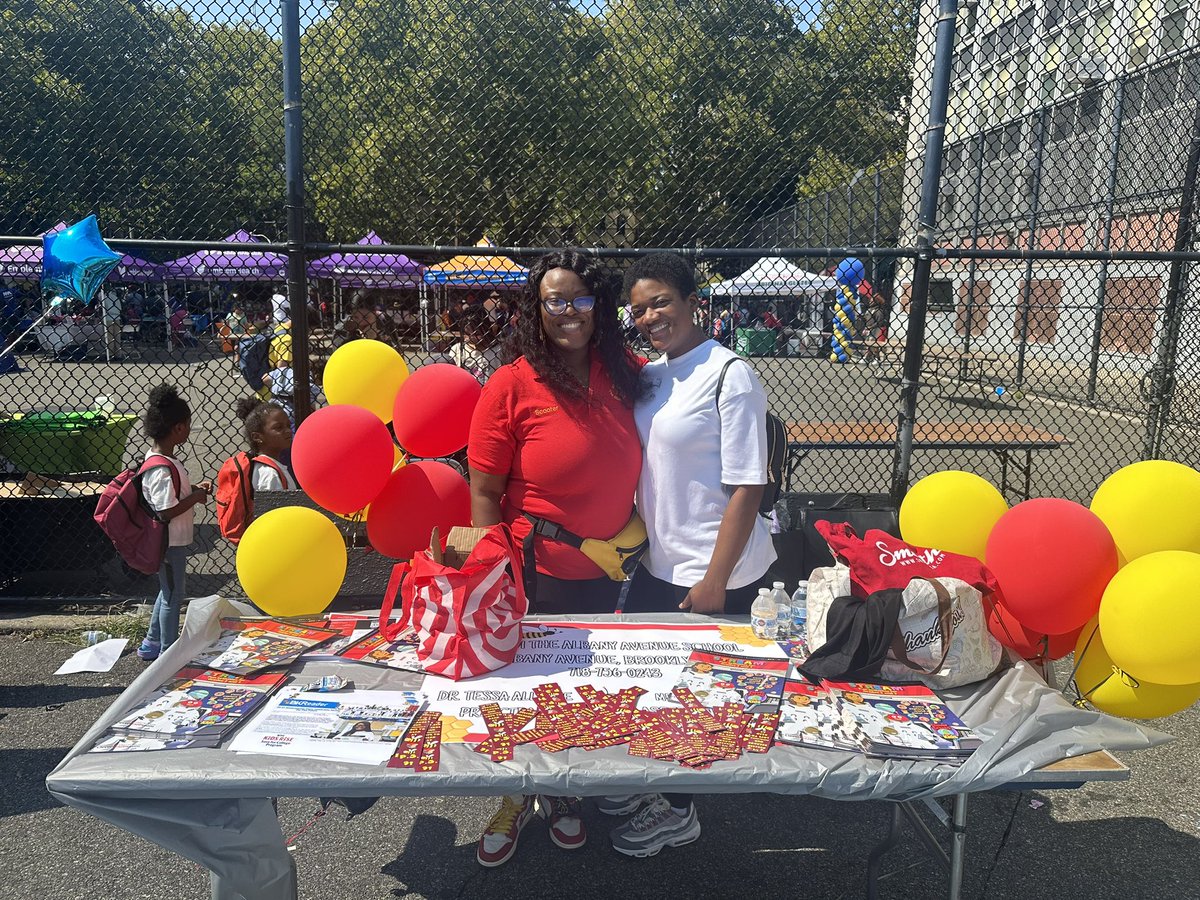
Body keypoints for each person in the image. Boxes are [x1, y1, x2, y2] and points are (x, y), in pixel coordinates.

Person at [466, 248, 645, 868]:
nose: (569, 312)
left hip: (612, 573)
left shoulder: (626, 371)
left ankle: (562, 792)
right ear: (536, 311)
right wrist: (495, 574)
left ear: (599, 305)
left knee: (583, 693)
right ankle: (516, 792)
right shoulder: (509, 384)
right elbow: (485, 492)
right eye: (555, 300)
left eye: (581, 298)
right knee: (526, 694)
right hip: (532, 574)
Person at [607, 252, 776, 858]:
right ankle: (668, 783)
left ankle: (681, 810)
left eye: (661, 302)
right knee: (656, 685)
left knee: (702, 696)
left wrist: (714, 581)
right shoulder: (651, 375)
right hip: (662, 561)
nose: (651, 316)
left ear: (691, 300)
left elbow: (747, 488)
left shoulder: (731, 374)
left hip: (716, 569)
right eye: (640, 310)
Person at [135, 384, 212, 661]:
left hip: (172, 540)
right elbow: (165, 510)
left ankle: (152, 642)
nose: (190, 429)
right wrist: (196, 497)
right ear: (178, 428)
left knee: (165, 592)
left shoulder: (162, 460)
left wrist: (192, 490)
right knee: (173, 596)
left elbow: (171, 494)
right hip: (170, 543)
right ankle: (168, 654)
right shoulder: (159, 467)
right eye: (189, 425)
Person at [235, 398, 298, 490]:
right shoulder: (270, 474)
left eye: (288, 425)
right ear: (257, 437)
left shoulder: (272, 467)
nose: (288, 431)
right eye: (278, 427)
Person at [447, 305, 503, 384]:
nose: (470, 338)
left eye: (477, 334)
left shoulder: (499, 350)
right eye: (466, 334)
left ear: (485, 329)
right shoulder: (457, 349)